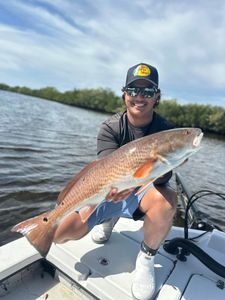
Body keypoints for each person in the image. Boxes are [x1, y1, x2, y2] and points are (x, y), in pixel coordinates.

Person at [54, 63, 177, 300]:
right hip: (106, 189)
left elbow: (163, 181)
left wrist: (165, 166)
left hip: (142, 190)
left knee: (168, 200)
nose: (139, 97)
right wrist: (116, 187)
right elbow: (104, 169)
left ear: (157, 97)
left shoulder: (165, 130)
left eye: (148, 92)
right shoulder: (110, 127)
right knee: (60, 233)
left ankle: (147, 258)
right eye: (133, 90)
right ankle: (107, 219)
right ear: (124, 94)